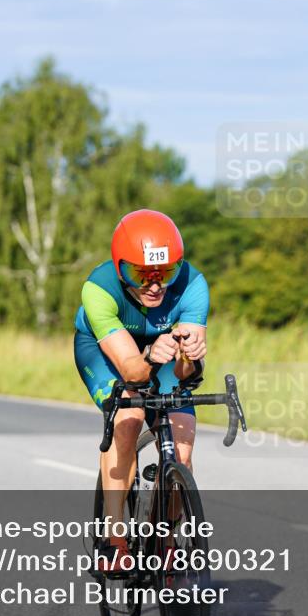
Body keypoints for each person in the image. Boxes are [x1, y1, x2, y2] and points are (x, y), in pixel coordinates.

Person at [73, 209, 208, 570]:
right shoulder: (99, 289)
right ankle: (114, 539)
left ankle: (164, 538)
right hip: (109, 352)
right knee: (130, 413)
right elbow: (133, 371)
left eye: (166, 273)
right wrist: (150, 354)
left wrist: (190, 356)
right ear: (120, 268)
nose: (154, 285)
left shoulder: (194, 284)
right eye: (140, 273)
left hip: (160, 352)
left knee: (182, 451)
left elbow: (184, 374)